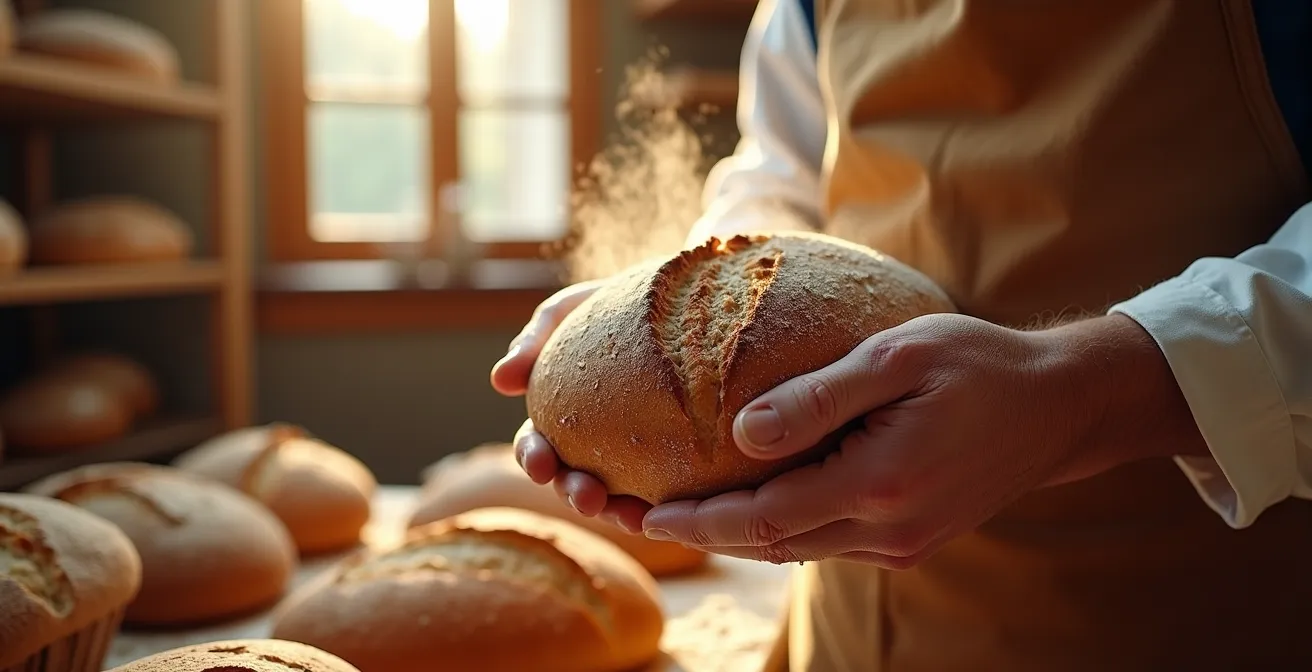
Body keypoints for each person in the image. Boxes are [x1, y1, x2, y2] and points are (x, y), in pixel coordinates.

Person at [492, 0, 1312, 669]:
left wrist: (1090, 392)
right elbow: (785, 175)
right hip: (843, 628)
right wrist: (651, 312)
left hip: (1179, 614)